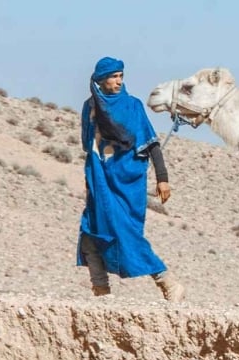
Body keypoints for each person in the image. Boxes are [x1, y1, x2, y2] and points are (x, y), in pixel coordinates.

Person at [77, 56, 185, 301]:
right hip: (100, 177)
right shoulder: (91, 107)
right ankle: (101, 289)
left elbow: (151, 143)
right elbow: (89, 145)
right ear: (101, 80)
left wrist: (162, 177)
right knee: (91, 228)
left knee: (125, 231)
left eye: (121, 76)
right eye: (114, 76)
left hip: (127, 180)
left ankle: (167, 282)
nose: (118, 81)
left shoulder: (133, 106)